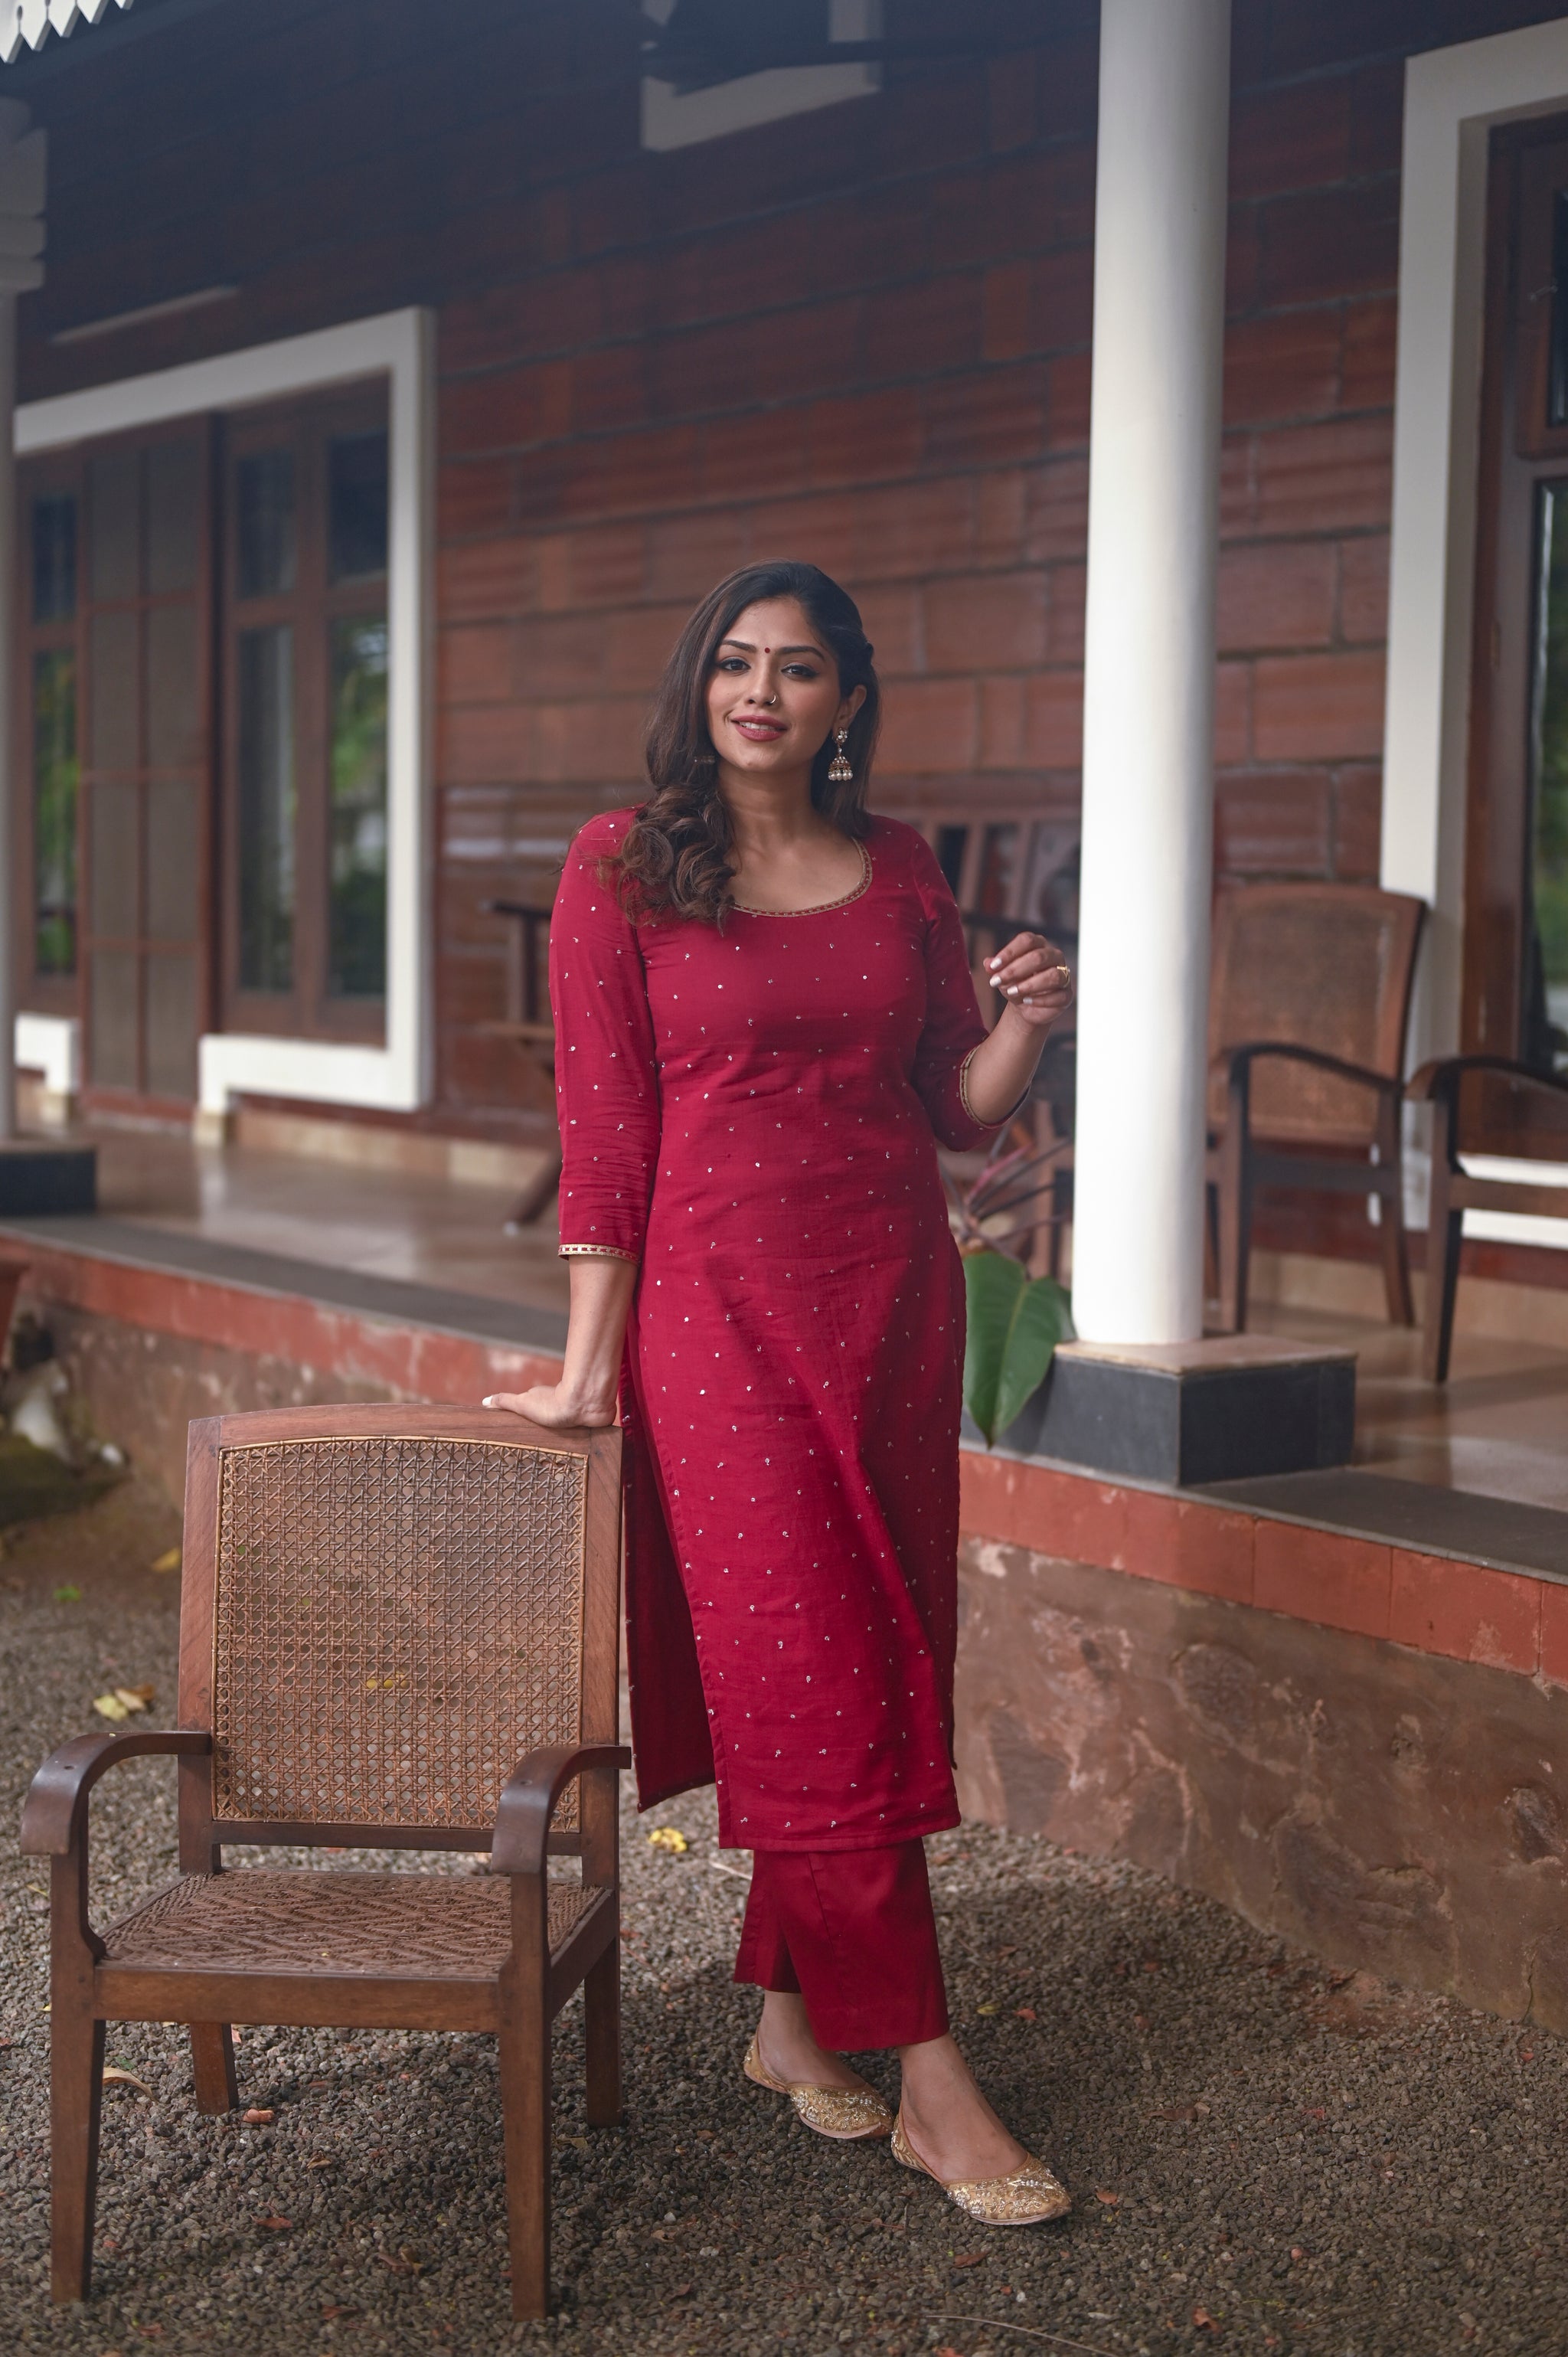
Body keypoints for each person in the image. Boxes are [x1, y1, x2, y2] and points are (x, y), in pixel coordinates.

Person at [486, 561, 1074, 2227]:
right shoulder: (622, 866)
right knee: (811, 1672)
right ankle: (934, 2082)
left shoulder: (900, 870)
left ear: (844, 701)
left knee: (880, 1653)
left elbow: (955, 1107)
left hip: (893, 1304)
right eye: (736, 663)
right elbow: (604, 1139)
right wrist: (589, 1376)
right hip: (718, 1324)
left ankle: (790, 2022)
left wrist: (1028, 1027)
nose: (762, 691)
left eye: (798, 669)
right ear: (702, 685)